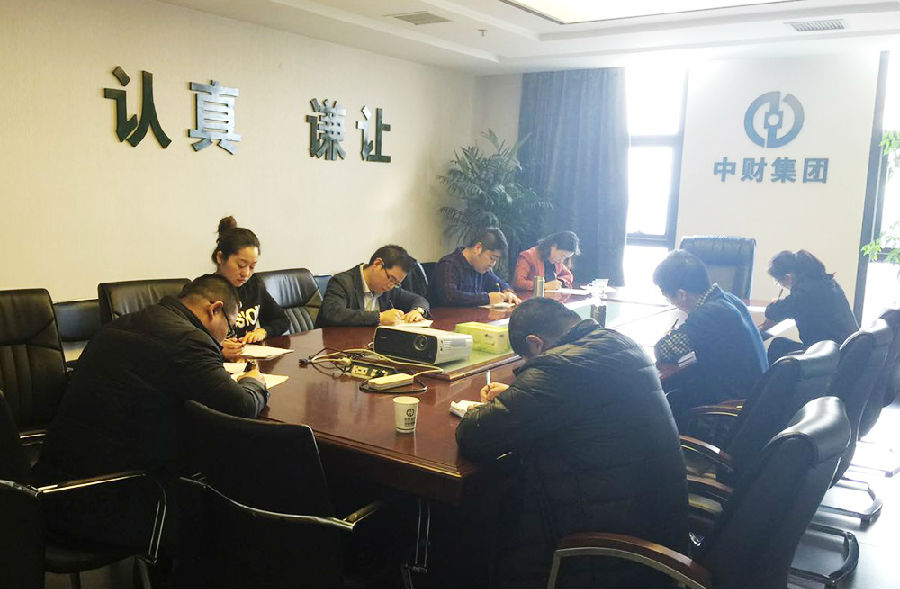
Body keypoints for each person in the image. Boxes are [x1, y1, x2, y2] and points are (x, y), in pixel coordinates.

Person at [456, 298, 689, 588]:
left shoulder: (559, 367)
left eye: (526, 359)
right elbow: (577, 400)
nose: (528, 366)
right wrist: (524, 395)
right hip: (655, 528)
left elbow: (474, 436)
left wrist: (498, 403)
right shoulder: (615, 342)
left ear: (535, 343)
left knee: (482, 525)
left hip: (605, 555)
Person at [34, 274, 268, 548]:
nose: (226, 336)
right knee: (225, 493)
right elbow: (241, 405)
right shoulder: (188, 339)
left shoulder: (124, 323)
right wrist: (254, 381)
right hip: (104, 500)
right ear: (214, 309)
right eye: (229, 327)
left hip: (51, 486)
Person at [652, 249, 768, 417]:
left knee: (662, 403)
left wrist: (669, 336)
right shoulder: (730, 299)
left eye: (667, 297)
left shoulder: (709, 313)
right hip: (752, 398)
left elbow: (664, 350)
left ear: (681, 294)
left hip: (731, 408)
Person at [758, 249, 859, 363]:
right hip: (846, 352)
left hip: (830, 357)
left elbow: (773, 312)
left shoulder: (803, 295)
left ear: (788, 277)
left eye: (778, 282)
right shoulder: (829, 283)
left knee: (778, 346)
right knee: (782, 345)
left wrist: (775, 302)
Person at [213, 216, 289, 359]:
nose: (246, 273)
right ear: (220, 258)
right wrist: (218, 348)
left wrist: (263, 331)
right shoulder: (203, 291)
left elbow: (282, 320)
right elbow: (189, 342)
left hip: (247, 360)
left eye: (252, 266)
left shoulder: (253, 285)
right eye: (241, 265)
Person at [317, 244, 430, 327]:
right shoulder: (342, 282)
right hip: (340, 345)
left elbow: (419, 300)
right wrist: (379, 317)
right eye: (391, 278)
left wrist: (418, 311)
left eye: (396, 283)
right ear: (377, 264)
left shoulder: (389, 288)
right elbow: (332, 313)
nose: (391, 286)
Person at [429, 227, 521, 307]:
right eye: (492, 258)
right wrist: (488, 298)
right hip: (443, 320)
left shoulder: (482, 269)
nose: (493, 264)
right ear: (478, 248)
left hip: (471, 318)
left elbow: (501, 284)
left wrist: (507, 293)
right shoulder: (448, 265)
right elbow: (450, 297)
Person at [513, 230, 579, 292]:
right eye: (562, 255)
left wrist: (559, 282)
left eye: (566, 258)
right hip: (529, 298)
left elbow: (568, 275)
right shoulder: (529, 256)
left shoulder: (557, 262)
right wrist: (543, 286)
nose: (562, 260)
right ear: (553, 246)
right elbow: (518, 283)